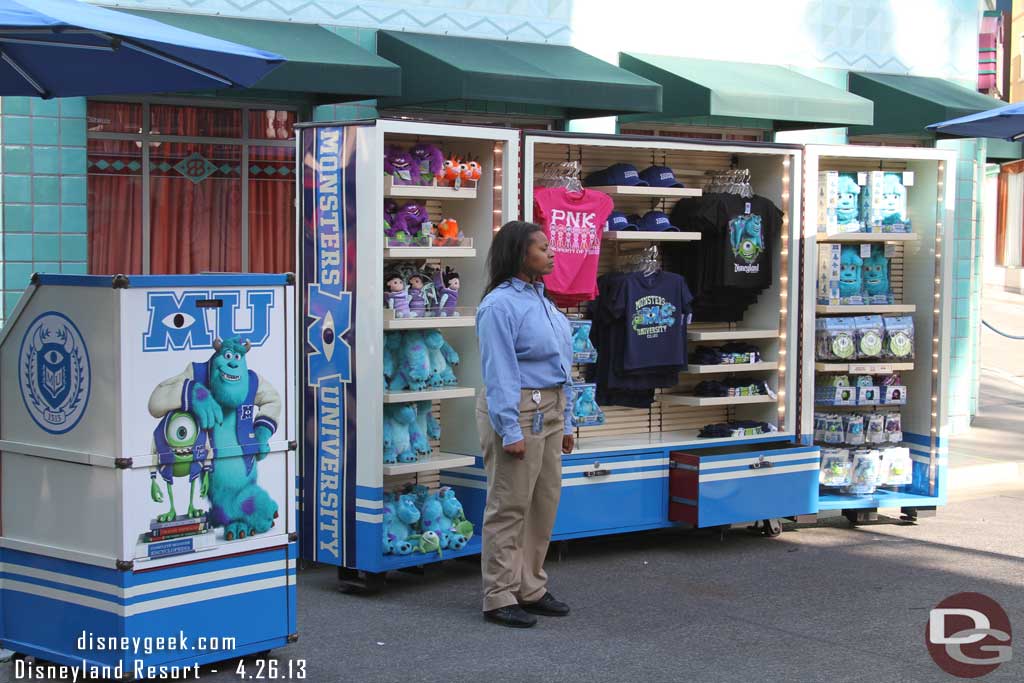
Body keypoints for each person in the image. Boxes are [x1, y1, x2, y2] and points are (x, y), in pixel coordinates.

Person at [475, 220, 575, 628]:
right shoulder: (499, 306)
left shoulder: (543, 301)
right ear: (520, 255)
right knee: (509, 505)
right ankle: (498, 595)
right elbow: (499, 370)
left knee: (543, 504)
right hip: (517, 409)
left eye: (549, 247)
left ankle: (529, 586)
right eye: (542, 248)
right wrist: (510, 428)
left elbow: (562, 367)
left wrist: (566, 421)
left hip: (549, 408)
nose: (551, 253)